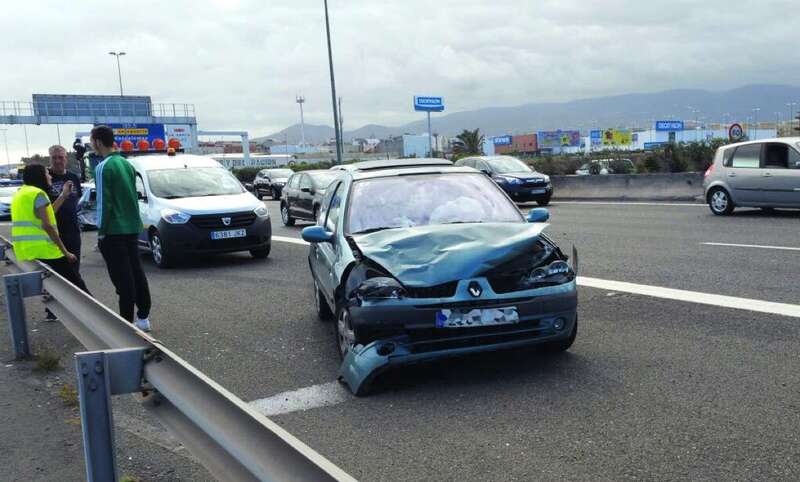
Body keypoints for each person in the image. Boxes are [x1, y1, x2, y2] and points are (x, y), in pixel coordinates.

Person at [91, 125, 153, 331]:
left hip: (113, 230)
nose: (92, 145)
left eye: (92, 141)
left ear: (98, 142)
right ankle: (143, 317)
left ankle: (125, 323)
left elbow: (103, 202)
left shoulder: (103, 166)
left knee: (121, 277)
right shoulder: (127, 164)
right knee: (136, 271)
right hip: (131, 226)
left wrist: (101, 231)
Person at [11, 164, 90, 302]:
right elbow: (47, 225)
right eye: (47, 173)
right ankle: (96, 316)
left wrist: (63, 195)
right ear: (40, 176)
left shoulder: (21, 193)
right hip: (45, 251)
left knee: (57, 285)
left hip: (26, 251)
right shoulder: (39, 194)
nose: (50, 176)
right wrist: (66, 252)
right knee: (78, 286)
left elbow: (47, 213)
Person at [47, 145, 83, 273]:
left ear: (66, 159)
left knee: (74, 270)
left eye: (60, 157)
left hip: (73, 231)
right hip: (53, 232)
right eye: (54, 158)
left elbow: (77, 199)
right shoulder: (45, 177)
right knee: (56, 273)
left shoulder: (73, 177)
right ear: (49, 159)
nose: (57, 161)